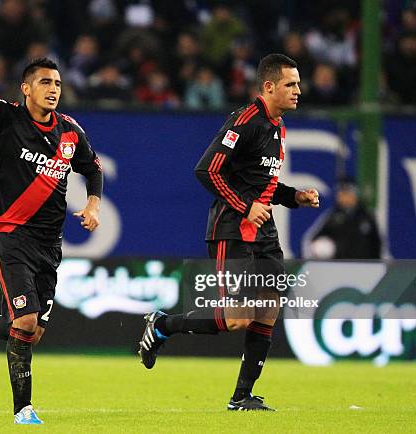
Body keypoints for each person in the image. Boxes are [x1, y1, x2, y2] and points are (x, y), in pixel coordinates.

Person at [138, 54, 319, 411]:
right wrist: (245, 206)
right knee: (237, 318)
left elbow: (262, 183)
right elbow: (207, 170)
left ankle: (242, 396)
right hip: (232, 228)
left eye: (298, 83)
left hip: (262, 231)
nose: (299, 90)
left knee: (268, 309)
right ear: (268, 87)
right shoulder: (247, 120)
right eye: (291, 84)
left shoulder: (277, 127)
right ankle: (163, 324)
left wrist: (293, 196)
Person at [0, 16, 103, 425]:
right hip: (12, 235)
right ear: (26, 87)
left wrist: (93, 205)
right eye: (45, 83)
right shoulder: (8, 119)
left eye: (57, 83)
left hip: (50, 244)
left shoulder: (71, 133)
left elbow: (93, 169)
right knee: (26, 320)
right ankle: (23, 410)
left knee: (31, 331)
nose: (53, 90)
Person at [304, 178, 381, 259]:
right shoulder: (332, 216)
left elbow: (378, 244)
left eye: (345, 193)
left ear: (354, 195)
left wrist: (379, 265)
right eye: (339, 193)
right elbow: (311, 239)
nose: (340, 196)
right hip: (338, 266)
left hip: (364, 266)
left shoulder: (367, 216)